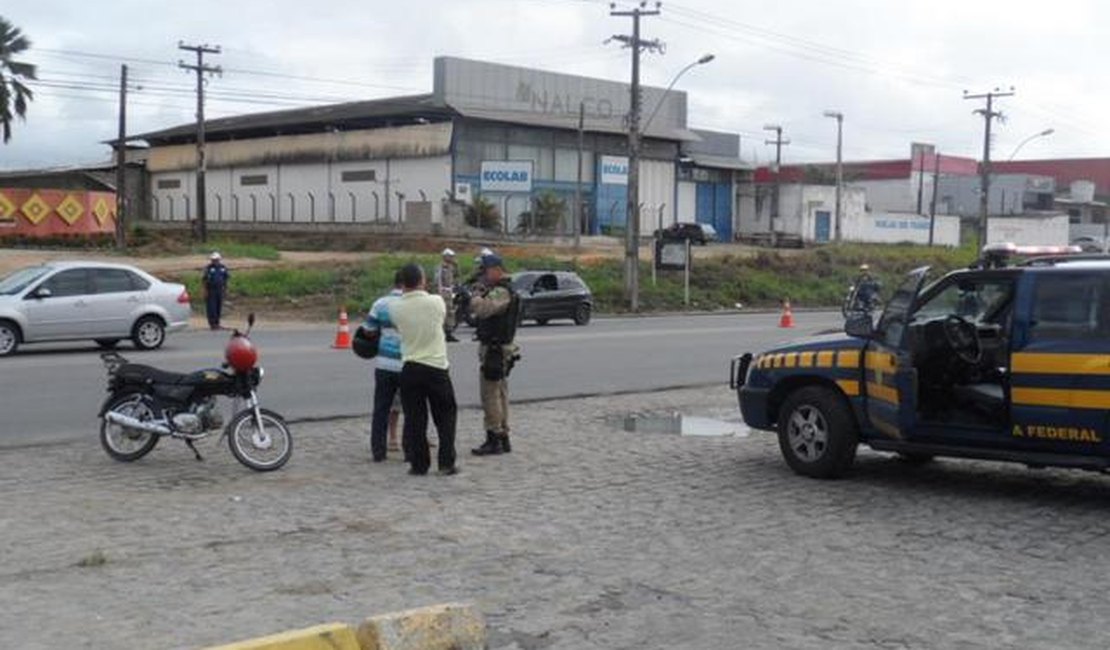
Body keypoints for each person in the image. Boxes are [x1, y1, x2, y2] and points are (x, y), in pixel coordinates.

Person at [389, 263, 458, 476]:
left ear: (402, 283)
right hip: (436, 366)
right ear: (422, 281)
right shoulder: (436, 302)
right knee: (446, 416)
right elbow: (442, 316)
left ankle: (419, 464)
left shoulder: (395, 307)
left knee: (415, 419)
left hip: (410, 366)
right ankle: (446, 462)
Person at [469, 254, 522, 456]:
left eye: (485, 271)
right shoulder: (503, 289)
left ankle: (495, 437)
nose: (483, 275)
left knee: (490, 395)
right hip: (498, 348)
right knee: (500, 394)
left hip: (495, 350)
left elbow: (483, 309)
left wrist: (473, 296)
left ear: (496, 269)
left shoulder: (501, 291)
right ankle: (503, 436)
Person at [363, 271, 405, 462]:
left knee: (381, 408)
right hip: (407, 363)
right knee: (412, 409)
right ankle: (410, 449)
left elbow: (368, 330)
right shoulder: (414, 304)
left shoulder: (380, 304)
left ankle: (378, 452)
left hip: (384, 364)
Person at [435, 248, 460, 342]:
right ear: (445, 256)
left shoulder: (451, 267)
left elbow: (457, 276)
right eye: (451, 256)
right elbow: (438, 280)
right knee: (444, 312)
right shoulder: (441, 267)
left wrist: (456, 266)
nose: (452, 258)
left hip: (450, 291)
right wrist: (439, 292)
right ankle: (443, 332)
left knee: (450, 312)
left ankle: (449, 332)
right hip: (443, 291)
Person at [202, 252, 231, 330]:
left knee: (218, 307)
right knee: (211, 307)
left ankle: (217, 323)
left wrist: (226, 289)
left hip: (220, 290)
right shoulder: (208, 268)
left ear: (219, 259)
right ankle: (212, 324)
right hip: (211, 290)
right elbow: (204, 280)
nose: (215, 261)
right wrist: (205, 291)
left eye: (216, 260)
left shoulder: (223, 268)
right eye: (213, 260)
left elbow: (226, 279)